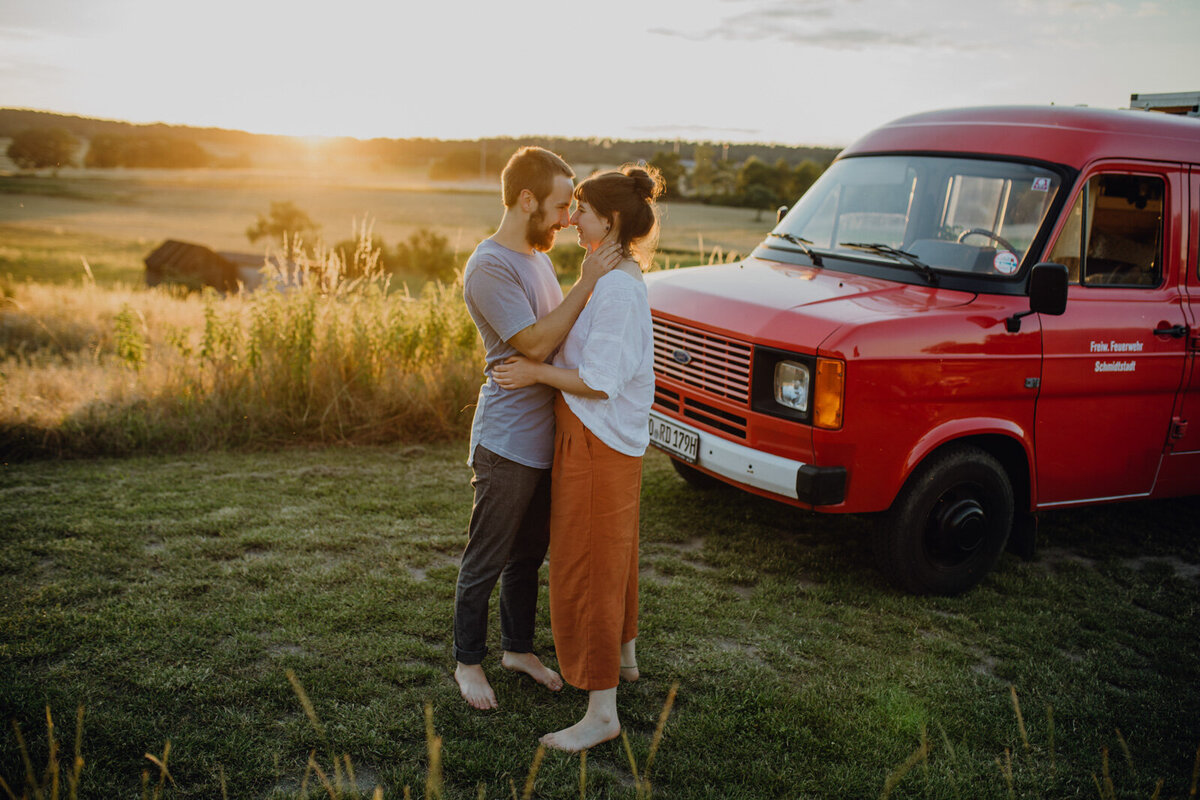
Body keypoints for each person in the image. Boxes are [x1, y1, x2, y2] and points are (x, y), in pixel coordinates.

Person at [493, 164, 662, 751]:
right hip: (600, 440)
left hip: (596, 442)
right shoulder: (613, 278)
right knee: (613, 552)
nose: (571, 219)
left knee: (585, 567)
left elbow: (599, 378)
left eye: (581, 209)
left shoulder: (616, 288)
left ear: (609, 220)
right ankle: (625, 658)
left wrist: (535, 369)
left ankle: (601, 710)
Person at [454, 146, 620, 711]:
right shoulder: (490, 266)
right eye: (557, 205)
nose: (566, 217)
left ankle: (517, 649)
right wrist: (590, 280)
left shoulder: (538, 259)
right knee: (488, 556)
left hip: (546, 441)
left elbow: (559, 341)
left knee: (528, 557)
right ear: (525, 199)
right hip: (506, 443)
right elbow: (534, 343)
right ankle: (468, 661)